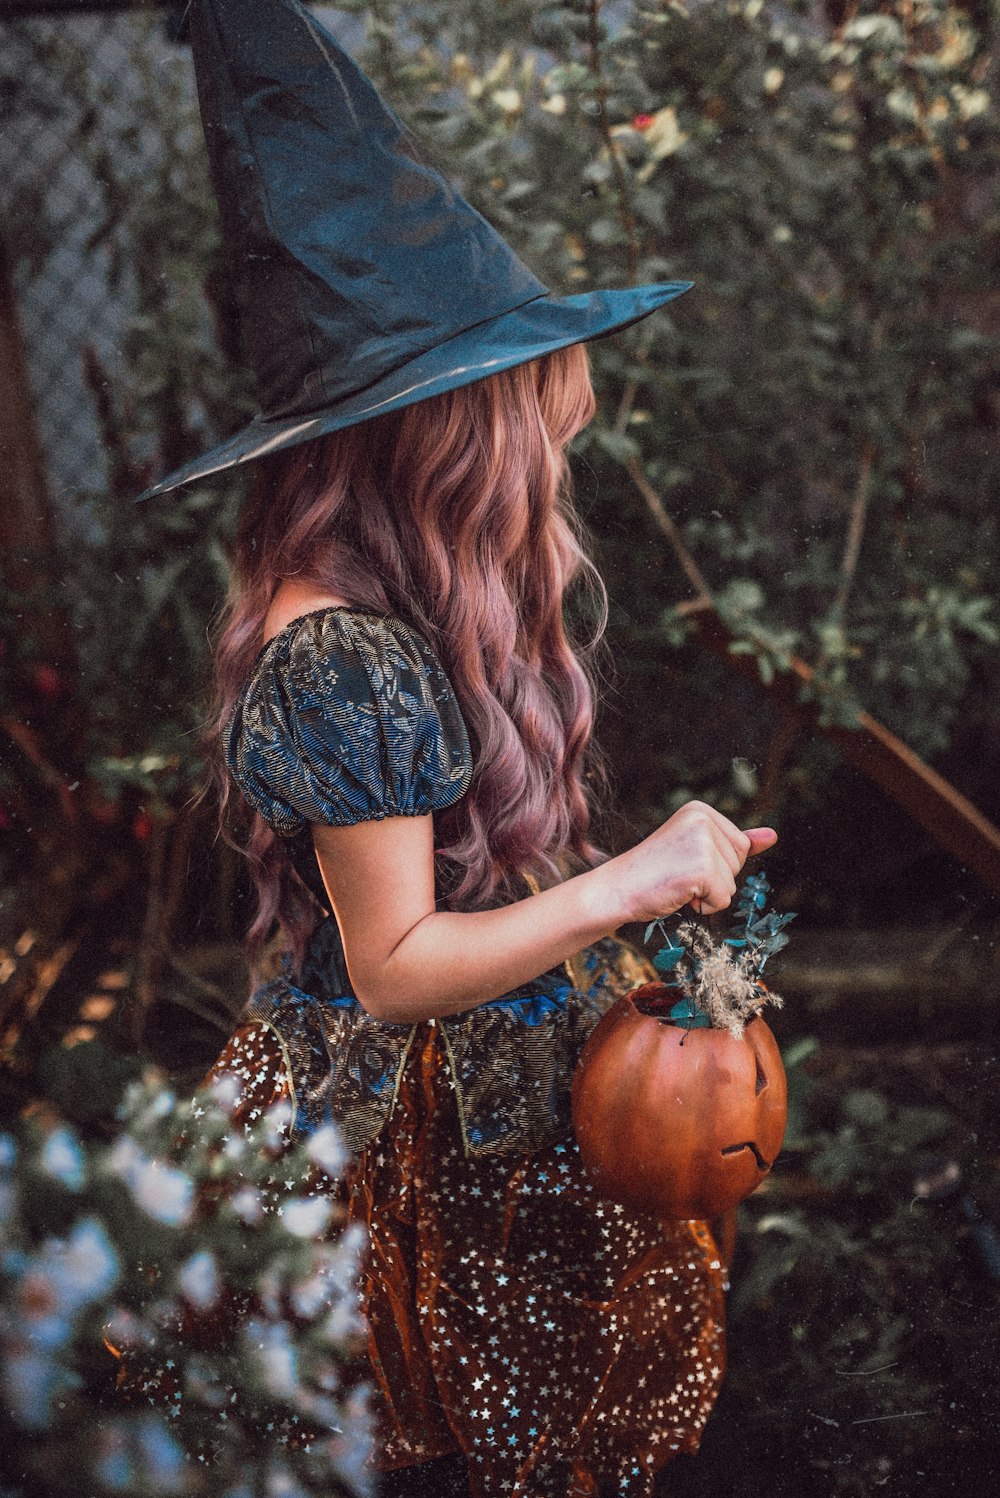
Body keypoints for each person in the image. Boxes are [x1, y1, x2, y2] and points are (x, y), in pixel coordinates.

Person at [139, 3, 778, 1492]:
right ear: (447, 431)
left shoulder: (371, 609)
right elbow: (397, 964)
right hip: (417, 1138)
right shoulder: (341, 657)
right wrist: (630, 880)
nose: (550, 462)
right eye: (532, 419)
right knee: (449, 1426)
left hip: (479, 1085)